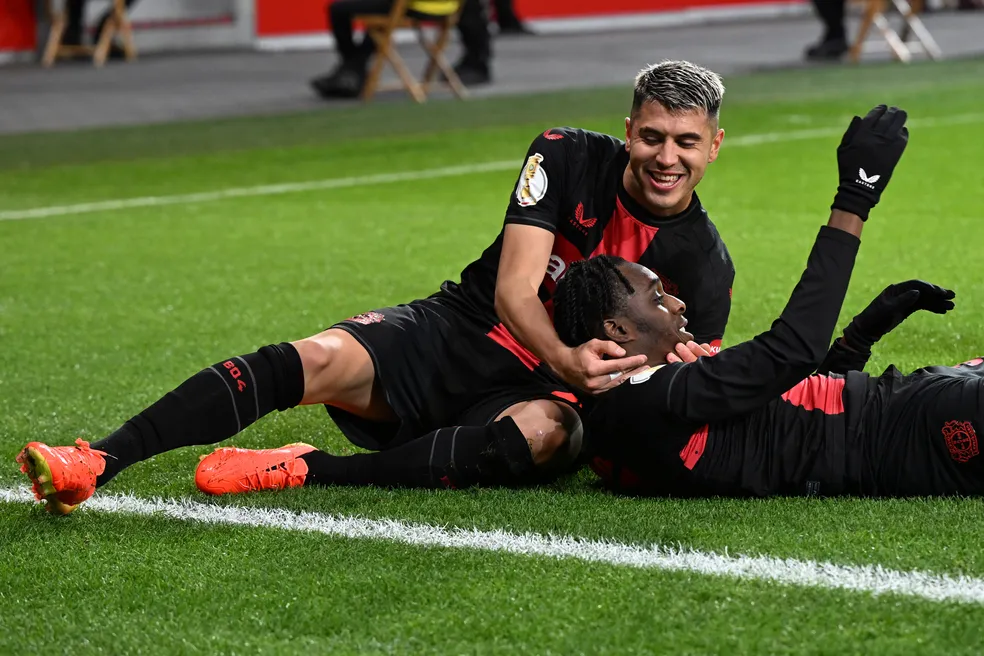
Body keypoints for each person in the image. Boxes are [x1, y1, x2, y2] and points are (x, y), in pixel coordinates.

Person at [17, 61, 735, 512]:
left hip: (543, 394)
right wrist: (570, 357)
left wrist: (600, 396)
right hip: (463, 329)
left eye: (685, 142)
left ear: (713, 146)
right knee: (317, 358)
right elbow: (517, 290)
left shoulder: (706, 266)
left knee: (549, 436)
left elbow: (675, 394)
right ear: (628, 130)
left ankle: (308, 471)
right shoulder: (566, 153)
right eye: (651, 136)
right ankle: (97, 460)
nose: (665, 157)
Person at [551, 106, 984, 499]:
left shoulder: (642, 414)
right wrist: (855, 197)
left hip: (910, 408)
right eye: (657, 296)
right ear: (618, 330)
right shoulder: (639, 399)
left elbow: (795, 418)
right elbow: (792, 351)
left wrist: (861, 335)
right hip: (917, 427)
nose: (679, 303)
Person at [310, 0, 461, 99]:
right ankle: (353, 69)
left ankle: (352, 68)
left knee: (338, 10)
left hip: (412, 6)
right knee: (381, 16)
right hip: (447, 7)